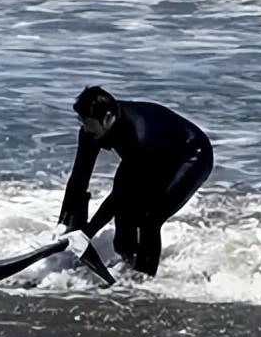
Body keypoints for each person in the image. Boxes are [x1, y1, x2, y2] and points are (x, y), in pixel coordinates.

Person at [57, 86, 212, 277]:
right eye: (81, 121)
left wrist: (87, 233)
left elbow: (119, 195)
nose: (84, 128)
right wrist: (64, 225)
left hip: (191, 155)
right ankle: (129, 264)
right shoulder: (90, 130)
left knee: (149, 217)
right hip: (152, 154)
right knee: (123, 229)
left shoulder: (138, 138)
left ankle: (144, 281)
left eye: (87, 122)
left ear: (107, 118)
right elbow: (79, 177)